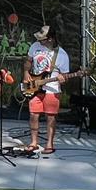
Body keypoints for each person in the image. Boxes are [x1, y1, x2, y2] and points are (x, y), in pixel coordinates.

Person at [22, 24, 70, 155]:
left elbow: (65, 76)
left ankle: (49, 144)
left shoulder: (62, 55)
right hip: (34, 87)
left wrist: (63, 79)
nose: (39, 41)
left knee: (50, 117)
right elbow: (28, 61)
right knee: (33, 114)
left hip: (52, 89)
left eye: (42, 39)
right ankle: (33, 142)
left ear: (50, 39)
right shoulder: (35, 46)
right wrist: (26, 73)